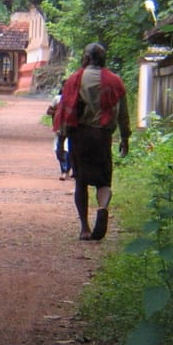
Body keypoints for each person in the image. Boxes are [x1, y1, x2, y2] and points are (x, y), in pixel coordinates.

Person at [54, 43, 130, 241]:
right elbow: (123, 113)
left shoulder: (74, 80)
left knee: (81, 181)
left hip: (80, 136)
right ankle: (103, 208)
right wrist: (125, 137)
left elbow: (65, 111)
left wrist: (61, 140)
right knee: (103, 181)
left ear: (86, 58)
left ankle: (85, 228)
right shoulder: (115, 81)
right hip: (103, 137)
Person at [47, 89, 71, 180]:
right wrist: (58, 113)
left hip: (72, 128)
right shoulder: (58, 99)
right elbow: (49, 111)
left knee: (69, 149)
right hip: (60, 128)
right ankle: (65, 170)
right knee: (59, 150)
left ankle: (66, 171)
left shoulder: (77, 98)